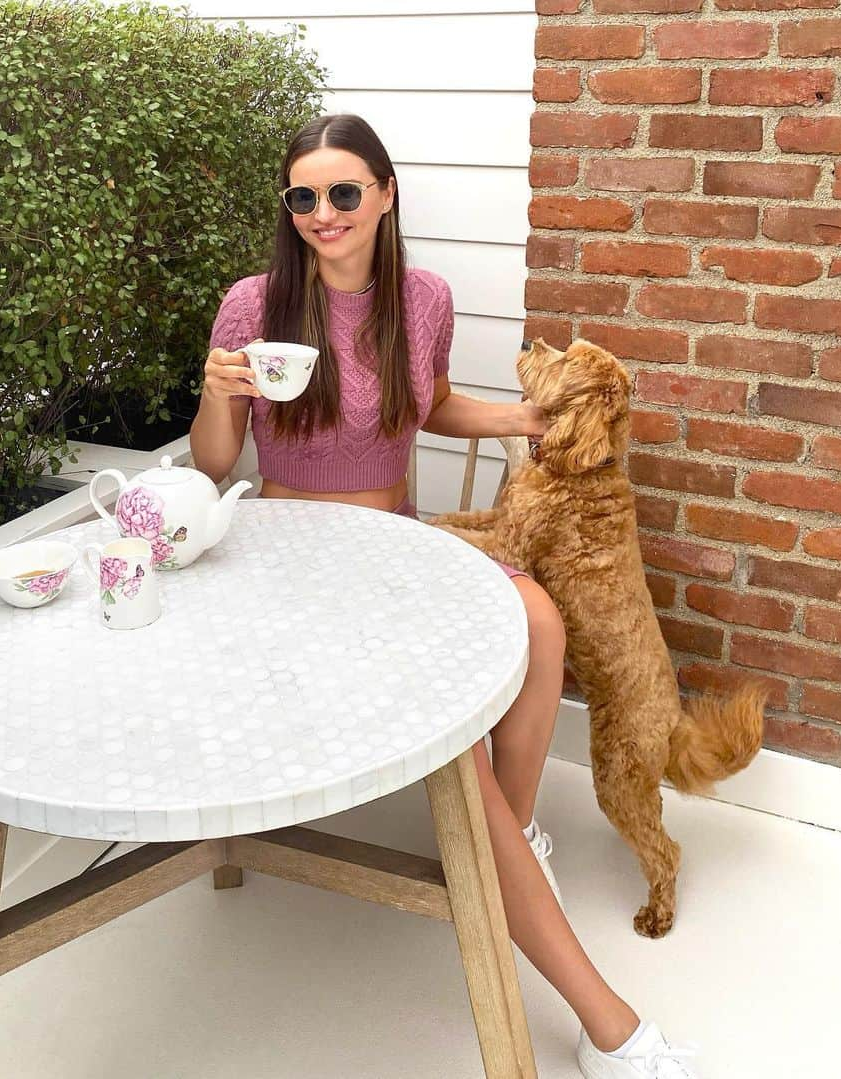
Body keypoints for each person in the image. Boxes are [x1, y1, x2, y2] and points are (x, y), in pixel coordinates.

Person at [190, 113, 699, 1079]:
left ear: (385, 195)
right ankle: (610, 1029)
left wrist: (515, 414)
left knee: (538, 622)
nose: (323, 213)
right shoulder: (254, 302)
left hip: (397, 544)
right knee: (459, 735)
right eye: (303, 196)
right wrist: (218, 392)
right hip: (294, 559)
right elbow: (214, 464)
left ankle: (499, 839)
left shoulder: (423, 297)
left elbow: (425, 403)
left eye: (344, 192)